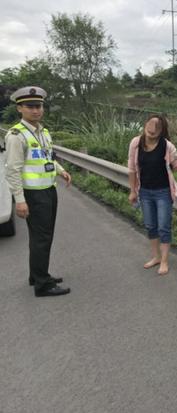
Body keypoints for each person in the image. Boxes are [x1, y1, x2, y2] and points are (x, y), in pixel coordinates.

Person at [4, 86, 72, 297]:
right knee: (41, 238)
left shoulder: (43, 132)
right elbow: (12, 170)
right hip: (33, 194)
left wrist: (60, 170)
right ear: (19, 108)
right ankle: (43, 285)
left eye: (39, 106)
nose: (36, 110)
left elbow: (46, 157)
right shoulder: (16, 135)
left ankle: (37, 275)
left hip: (48, 190)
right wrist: (19, 200)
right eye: (30, 106)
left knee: (41, 236)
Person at [127, 114, 177, 275]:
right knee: (150, 225)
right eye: (150, 126)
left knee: (164, 226)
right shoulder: (136, 143)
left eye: (156, 128)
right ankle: (156, 257)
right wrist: (132, 191)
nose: (152, 131)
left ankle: (164, 261)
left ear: (162, 131)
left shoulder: (167, 146)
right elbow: (132, 169)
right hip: (144, 192)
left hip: (163, 192)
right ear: (145, 124)